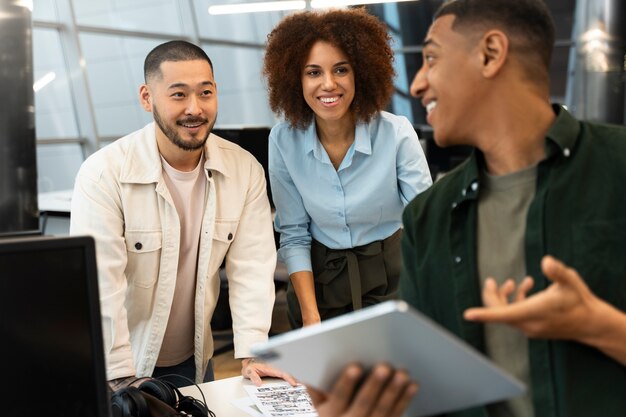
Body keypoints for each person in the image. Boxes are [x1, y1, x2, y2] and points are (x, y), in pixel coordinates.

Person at [401, 0, 626, 416]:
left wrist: (599, 326)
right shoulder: (426, 218)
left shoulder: (618, 167)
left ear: (490, 54)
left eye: (431, 58)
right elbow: (424, 390)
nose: (416, 84)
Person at [70, 40, 295, 389]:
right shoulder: (104, 174)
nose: (195, 108)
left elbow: (252, 267)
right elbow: (101, 287)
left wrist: (253, 352)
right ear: (147, 98)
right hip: (118, 365)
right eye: (178, 95)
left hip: (193, 359)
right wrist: (121, 378)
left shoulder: (244, 169)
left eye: (205, 93)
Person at [263, 8, 432, 329]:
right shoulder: (283, 140)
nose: (328, 84)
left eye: (341, 69)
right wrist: (311, 317)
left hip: (392, 277)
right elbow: (295, 234)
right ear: (294, 79)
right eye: (313, 72)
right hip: (319, 283)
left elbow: (426, 222)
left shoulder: (396, 133)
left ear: (361, 73)